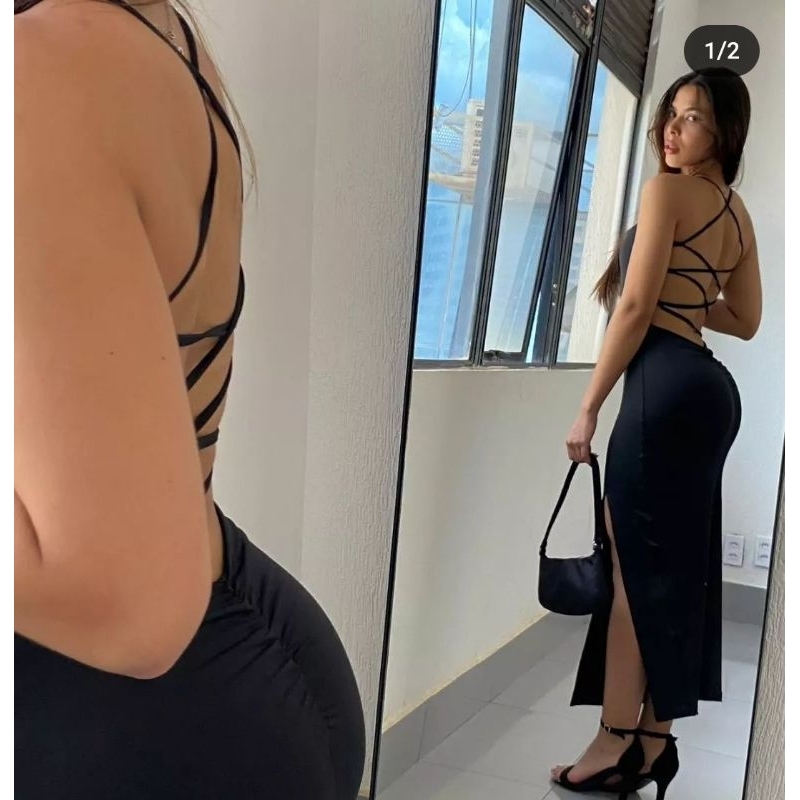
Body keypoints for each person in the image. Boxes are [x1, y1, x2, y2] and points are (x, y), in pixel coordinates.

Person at [14, 1, 366, 797]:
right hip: (229, 655)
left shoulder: (42, 68)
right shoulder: (156, 37)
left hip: (127, 720)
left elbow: (135, 610)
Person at [551, 67, 761, 800]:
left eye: (692, 117)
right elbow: (746, 318)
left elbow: (635, 306)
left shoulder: (666, 193)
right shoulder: (738, 216)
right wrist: (693, 297)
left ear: (724, 131)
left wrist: (588, 406)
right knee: (676, 570)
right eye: (671, 114)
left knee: (631, 572)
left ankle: (613, 739)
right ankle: (653, 739)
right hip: (710, 391)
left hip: (662, 387)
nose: (672, 129)